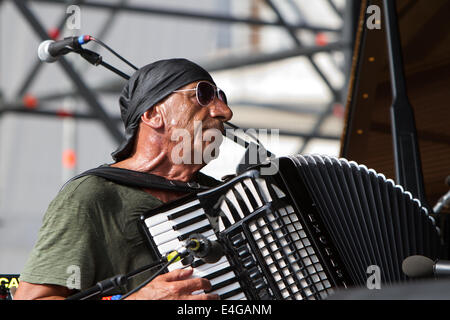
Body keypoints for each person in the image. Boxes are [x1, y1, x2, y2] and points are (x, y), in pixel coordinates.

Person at [14, 58, 233, 300]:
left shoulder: (224, 197)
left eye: (222, 99)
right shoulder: (93, 195)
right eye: (203, 95)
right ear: (152, 114)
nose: (224, 112)